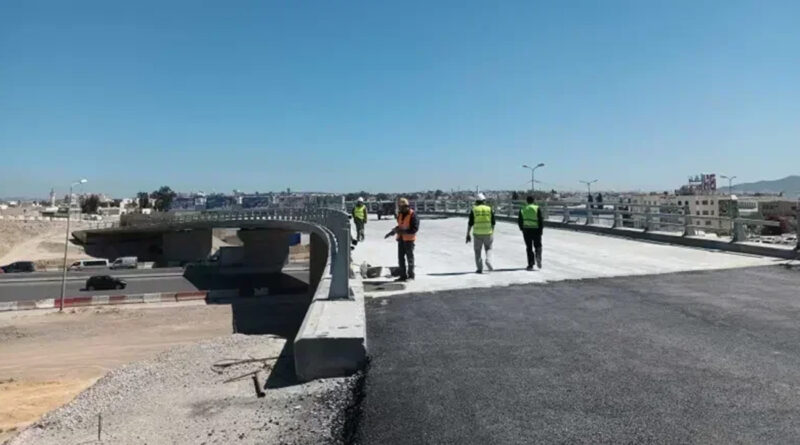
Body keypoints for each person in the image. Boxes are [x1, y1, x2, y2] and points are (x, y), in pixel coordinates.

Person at [385, 198, 419, 281]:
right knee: (400, 258)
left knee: (409, 258)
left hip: (409, 240)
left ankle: (411, 276)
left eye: (401, 207)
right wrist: (392, 232)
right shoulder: (400, 214)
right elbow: (400, 226)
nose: (400, 209)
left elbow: (414, 229)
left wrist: (403, 231)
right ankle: (403, 276)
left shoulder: (413, 215)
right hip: (401, 239)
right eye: (399, 207)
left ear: (406, 206)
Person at [466, 193, 495, 274]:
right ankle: (488, 261)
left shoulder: (474, 210)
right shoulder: (489, 209)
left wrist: (468, 234)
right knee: (489, 248)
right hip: (488, 232)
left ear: (476, 201)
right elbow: (493, 222)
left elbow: (470, 223)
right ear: (484, 201)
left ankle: (479, 268)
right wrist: (492, 232)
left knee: (477, 251)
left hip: (477, 233)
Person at [518, 196, 544, 270]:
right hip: (536, 230)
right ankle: (538, 256)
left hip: (526, 230)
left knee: (529, 247)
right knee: (538, 245)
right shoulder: (537, 208)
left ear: (526, 201)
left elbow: (520, 220)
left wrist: (522, 229)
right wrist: (541, 230)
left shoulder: (522, 209)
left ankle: (530, 264)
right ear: (533, 201)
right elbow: (540, 220)